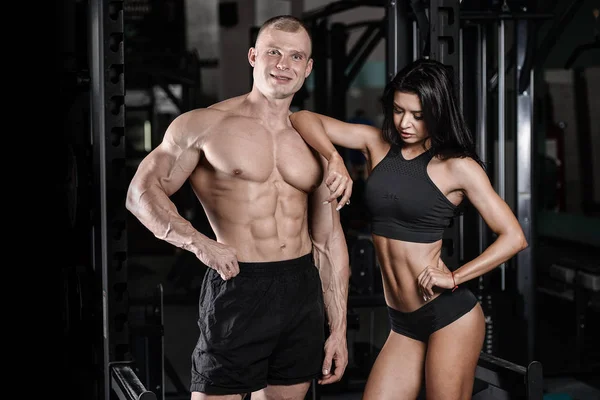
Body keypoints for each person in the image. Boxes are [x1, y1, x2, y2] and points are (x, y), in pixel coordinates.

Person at [126, 15, 352, 400]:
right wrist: (199, 243)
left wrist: (338, 330)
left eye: (296, 57)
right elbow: (140, 194)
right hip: (238, 286)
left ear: (308, 68)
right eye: (274, 52)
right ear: (253, 56)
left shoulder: (313, 140)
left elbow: (328, 241)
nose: (284, 65)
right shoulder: (203, 125)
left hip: (301, 291)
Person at [289, 58, 528, 400]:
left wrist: (455, 277)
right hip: (402, 323)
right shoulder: (376, 145)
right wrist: (333, 157)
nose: (405, 123)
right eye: (399, 110)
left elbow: (514, 237)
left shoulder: (458, 168)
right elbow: (301, 118)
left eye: (418, 115)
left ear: (438, 113)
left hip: (450, 317)